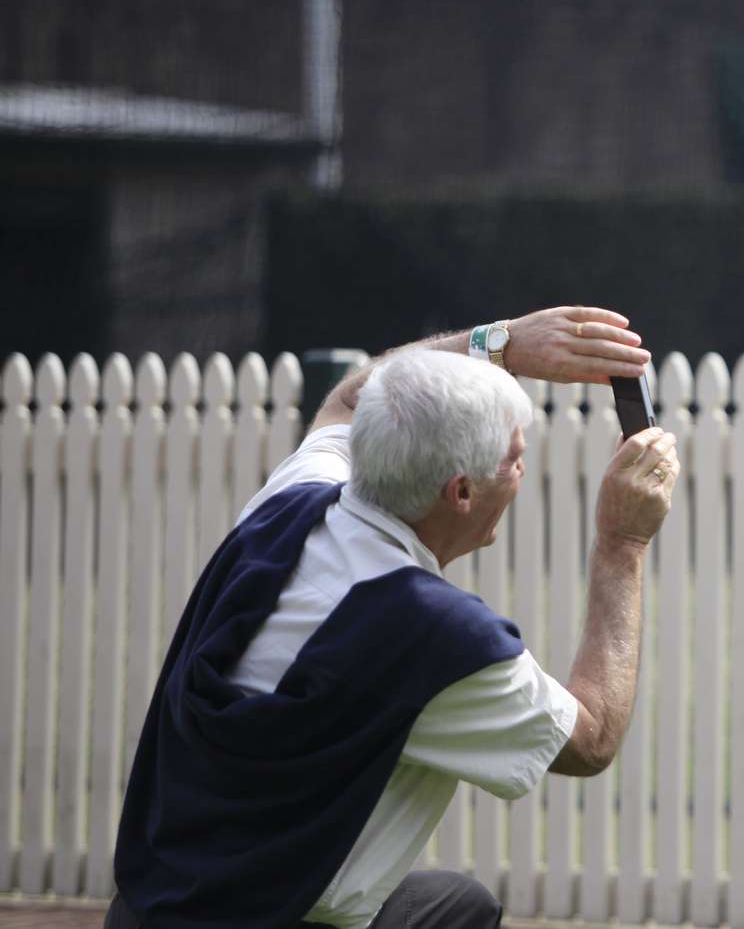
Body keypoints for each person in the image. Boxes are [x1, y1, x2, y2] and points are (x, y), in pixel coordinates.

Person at [106, 306, 679, 929]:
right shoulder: (438, 637)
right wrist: (623, 544)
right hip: (273, 914)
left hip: (149, 901)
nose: (522, 471)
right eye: (515, 459)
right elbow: (591, 741)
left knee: (459, 907)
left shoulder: (292, 502)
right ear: (461, 492)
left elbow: (350, 400)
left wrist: (499, 343)